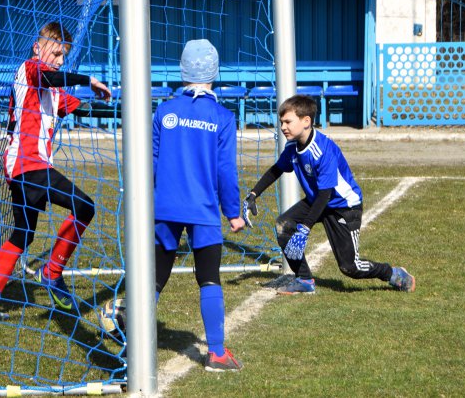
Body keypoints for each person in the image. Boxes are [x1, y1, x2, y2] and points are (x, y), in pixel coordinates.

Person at [0, 21, 113, 322]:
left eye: (64, 56)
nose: (60, 60)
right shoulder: (31, 69)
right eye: (56, 53)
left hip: (23, 168)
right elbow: (49, 76)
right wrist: (89, 79)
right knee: (85, 206)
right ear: (38, 47)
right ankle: (52, 272)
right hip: (28, 164)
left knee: (23, 235)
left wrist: (127, 107)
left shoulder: (54, 91)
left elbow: (80, 108)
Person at [243, 94, 416, 295]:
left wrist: (305, 227)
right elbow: (276, 169)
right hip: (318, 200)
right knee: (284, 226)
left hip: (343, 207)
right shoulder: (292, 147)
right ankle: (304, 280)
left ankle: (392, 273)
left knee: (349, 267)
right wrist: (254, 194)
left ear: (306, 121)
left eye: (288, 122)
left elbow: (326, 193)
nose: (283, 127)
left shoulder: (323, 150)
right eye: (281, 122)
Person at [153, 39, 245, 372]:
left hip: (163, 206)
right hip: (203, 209)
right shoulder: (222, 117)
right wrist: (233, 213)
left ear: (183, 70)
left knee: (155, 277)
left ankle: (134, 338)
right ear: (214, 74)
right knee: (208, 278)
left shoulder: (164, 110)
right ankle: (216, 354)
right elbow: (225, 171)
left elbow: (151, 161)